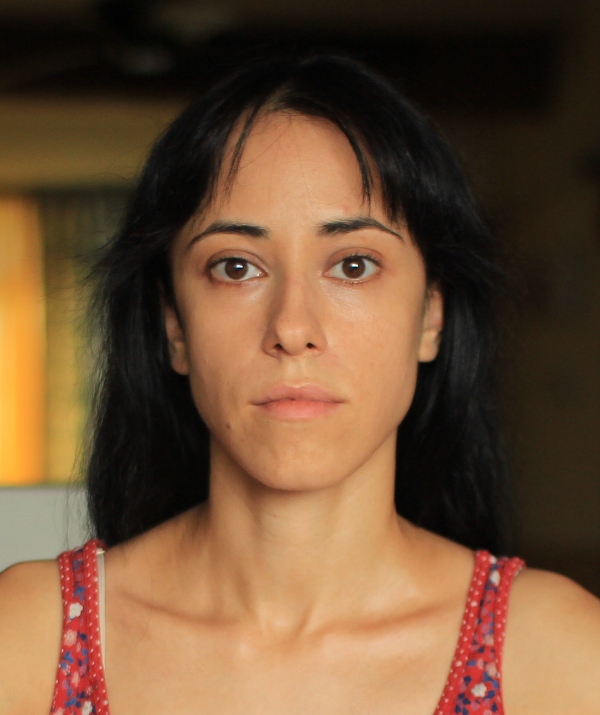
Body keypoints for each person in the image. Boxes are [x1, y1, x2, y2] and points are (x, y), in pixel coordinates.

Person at [0, 54, 599, 715]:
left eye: (353, 265)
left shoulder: (560, 658)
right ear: (174, 326)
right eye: (236, 267)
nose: (292, 327)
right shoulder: (27, 640)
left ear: (431, 316)